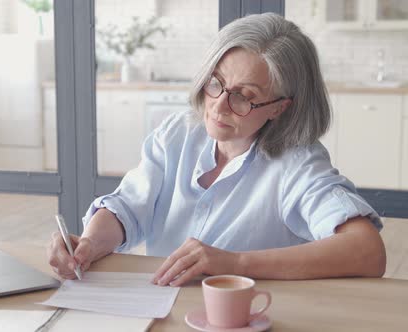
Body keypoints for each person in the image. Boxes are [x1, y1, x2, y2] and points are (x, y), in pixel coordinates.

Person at [47, 12, 386, 286]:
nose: (219, 106)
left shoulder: (296, 162)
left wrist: (233, 263)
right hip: (164, 309)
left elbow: (368, 251)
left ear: (279, 107)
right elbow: (129, 208)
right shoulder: (177, 133)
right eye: (216, 83)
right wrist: (90, 243)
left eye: (245, 96)